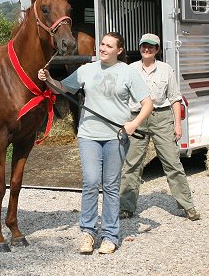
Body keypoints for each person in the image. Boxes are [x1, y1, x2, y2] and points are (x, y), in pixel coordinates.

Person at [38, 32, 153, 254]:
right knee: (90, 182)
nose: (103, 48)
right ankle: (88, 233)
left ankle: (110, 235)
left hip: (116, 136)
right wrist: (48, 79)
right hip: (89, 135)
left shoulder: (128, 73)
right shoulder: (87, 69)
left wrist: (133, 124)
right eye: (102, 44)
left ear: (119, 50)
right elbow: (62, 88)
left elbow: (148, 104)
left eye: (109, 46)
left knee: (110, 186)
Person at [119, 33, 201, 221]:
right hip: (138, 118)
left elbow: (174, 98)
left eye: (151, 46)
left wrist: (178, 125)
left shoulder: (166, 69)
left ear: (157, 49)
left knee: (172, 162)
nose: (147, 49)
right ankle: (126, 207)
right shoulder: (130, 69)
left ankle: (187, 206)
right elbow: (122, 97)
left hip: (162, 118)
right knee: (132, 164)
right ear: (139, 48)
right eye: (143, 46)